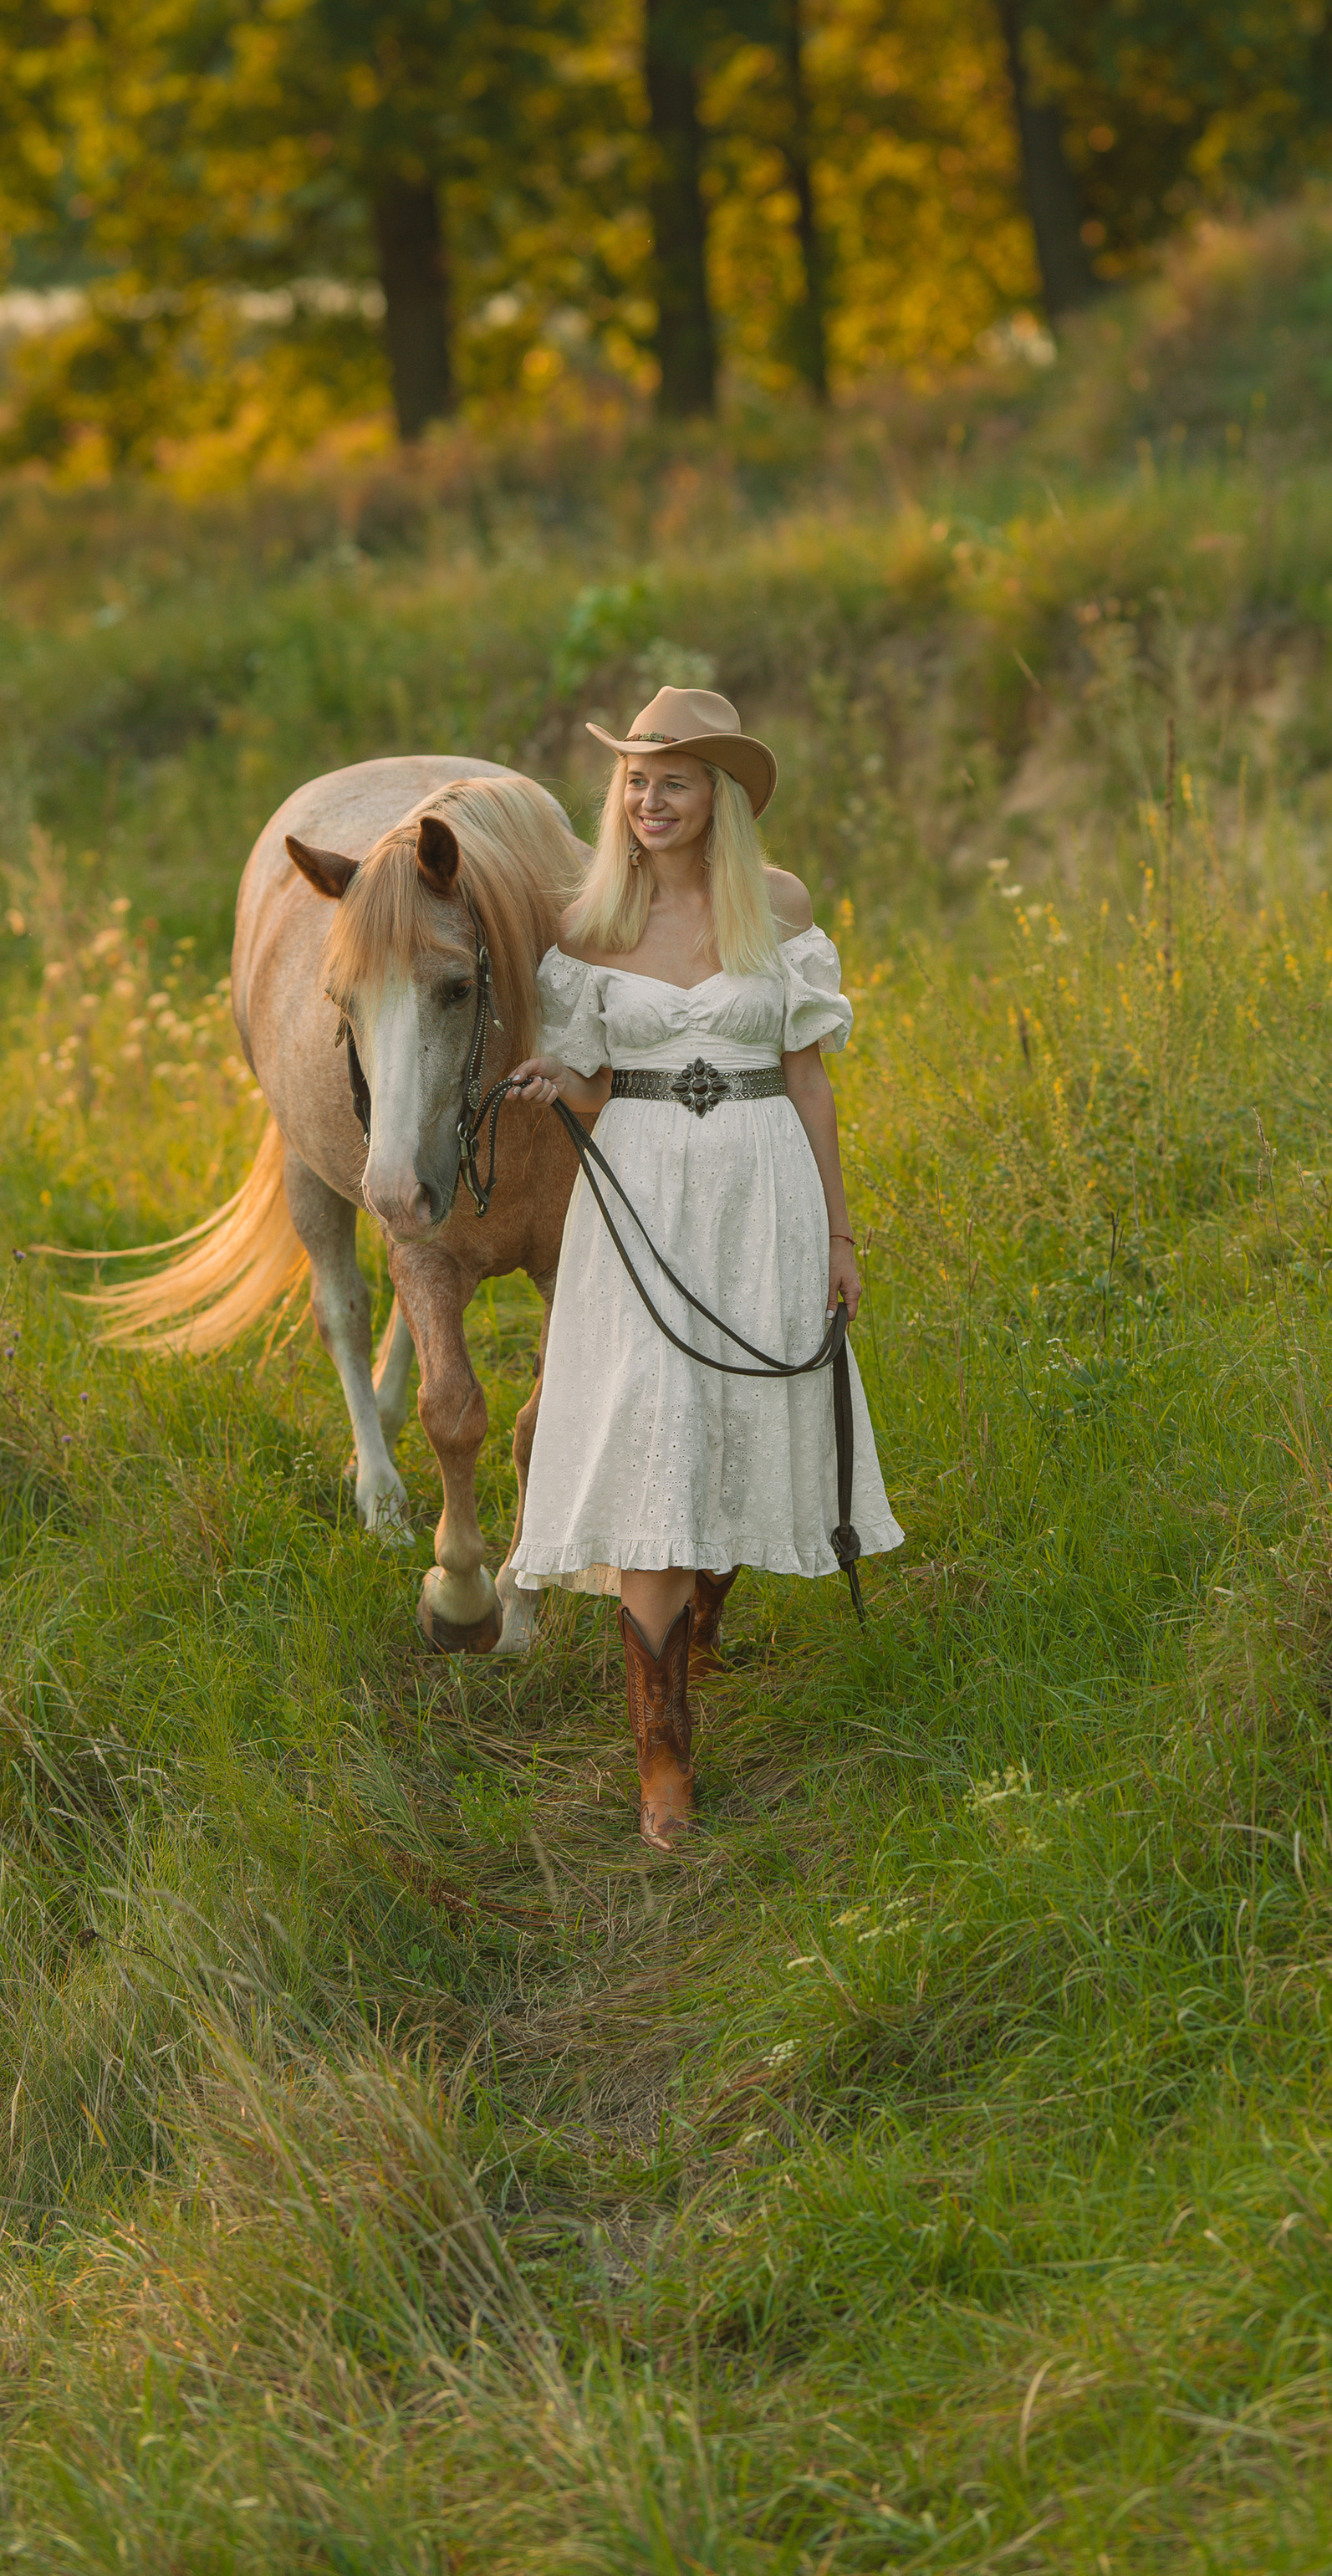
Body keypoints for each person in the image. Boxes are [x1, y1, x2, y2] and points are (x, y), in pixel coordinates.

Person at [505, 687, 900, 1848]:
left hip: (763, 1191)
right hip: (640, 1196)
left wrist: (840, 1237)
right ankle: (662, 1755)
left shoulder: (777, 908)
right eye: (635, 781)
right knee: (655, 1421)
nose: (650, 800)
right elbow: (594, 1083)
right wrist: (555, 1082)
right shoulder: (589, 923)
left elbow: (810, 1080)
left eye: (672, 781)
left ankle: (707, 1614)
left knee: (732, 1413)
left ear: (719, 796)